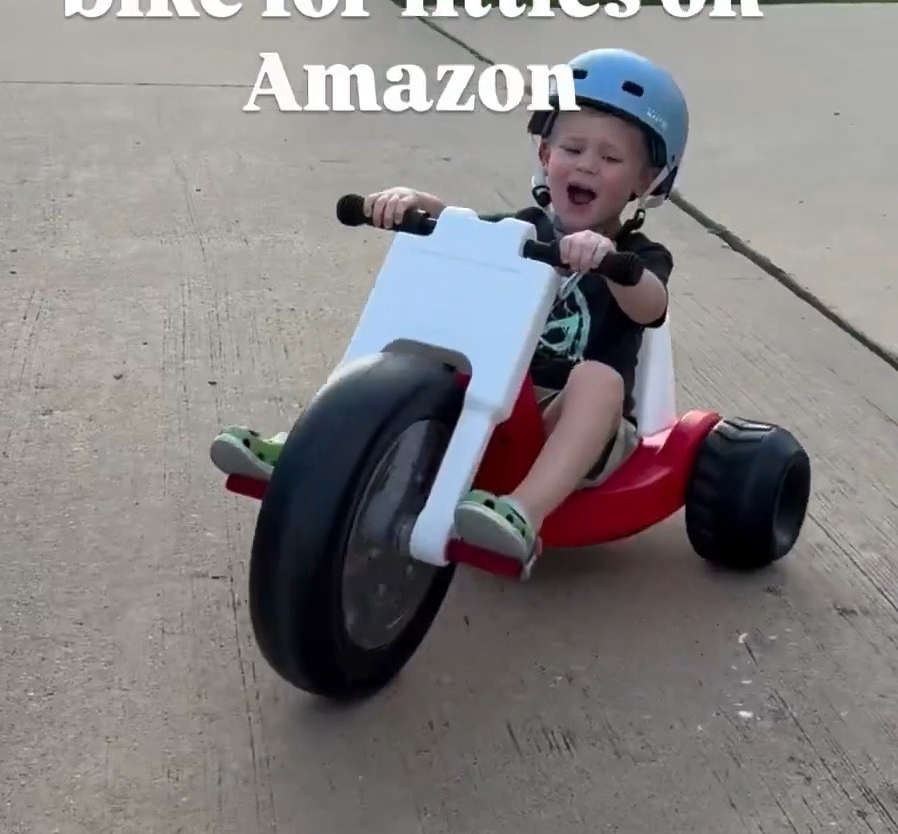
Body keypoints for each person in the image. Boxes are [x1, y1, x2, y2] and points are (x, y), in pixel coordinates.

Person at [210, 47, 688, 570]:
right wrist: (415, 202)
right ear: (546, 156)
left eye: (611, 159)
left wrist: (611, 263)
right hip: (492, 393)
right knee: (407, 346)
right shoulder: (524, 227)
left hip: (568, 424)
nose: (587, 165)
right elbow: (464, 229)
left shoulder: (639, 257)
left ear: (646, 184)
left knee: (598, 380)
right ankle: (308, 450)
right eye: (572, 148)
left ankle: (522, 514)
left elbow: (650, 306)